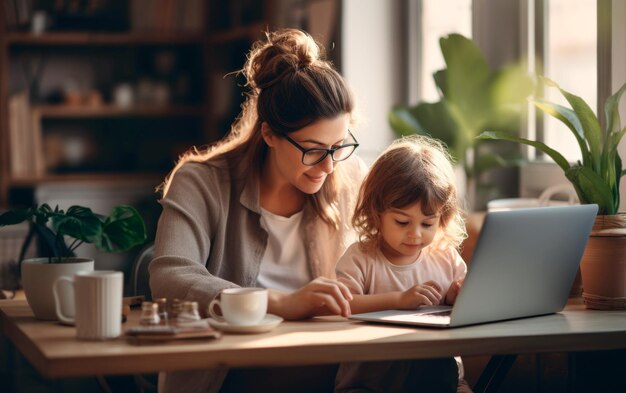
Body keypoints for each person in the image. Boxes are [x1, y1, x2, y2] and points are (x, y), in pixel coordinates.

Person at [149, 28, 367, 393]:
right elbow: (170, 276)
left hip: (331, 376)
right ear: (269, 135)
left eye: (339, 146)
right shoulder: (202, 182)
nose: (328, 166)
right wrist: (279, 303)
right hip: (230, 376)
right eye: (313, 149)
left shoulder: (349, 177)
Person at [334, 135, 470, 393]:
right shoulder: (362, 257)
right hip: (369, 384)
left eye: (427, 224)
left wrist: (457, 296)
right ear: (376, 213)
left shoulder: (445, 256)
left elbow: (471, 300)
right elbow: (343, 303)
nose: (415, 234)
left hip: (440, 380)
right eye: (402, 222)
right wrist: (397, 300)